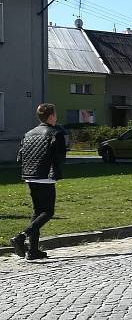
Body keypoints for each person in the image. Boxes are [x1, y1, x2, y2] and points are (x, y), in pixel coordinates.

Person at [10, 103, 67, 260]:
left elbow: (19, 157)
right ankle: (21, 237)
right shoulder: (56, 133)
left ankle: (33, 250)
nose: (56, 116)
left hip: (29, 176)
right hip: (46, 176)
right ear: (50, 116)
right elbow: (61, 157)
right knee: (48, 211)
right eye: (55, 114)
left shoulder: (28, 134)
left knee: (37, 212)